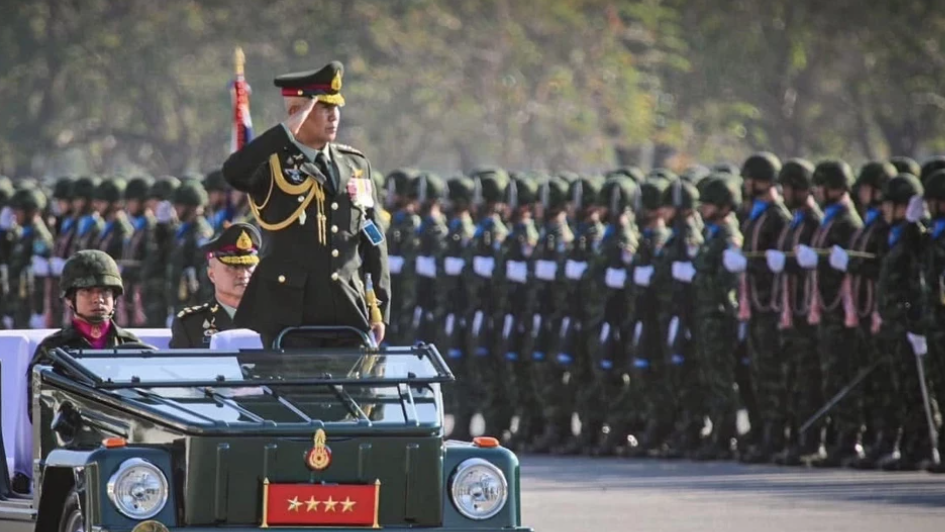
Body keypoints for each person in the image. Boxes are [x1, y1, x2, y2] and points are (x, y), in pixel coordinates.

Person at [221, 61, 389, 349]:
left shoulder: (355, 164)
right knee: (293, 393)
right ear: (296, 113)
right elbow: (234, 171)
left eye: (335, 108)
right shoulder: (271, 164)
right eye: (323, 108)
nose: (334, 116)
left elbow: (372, 237)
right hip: (289, 312)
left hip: (347, 307)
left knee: (355, 393)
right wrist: (285, 132)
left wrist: (379, 308)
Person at [169, 222, 260, 348]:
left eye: (248, 266)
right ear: (212, 274)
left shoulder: (274, 319)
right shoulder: (191, 325)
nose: (243, 274)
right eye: (233, 267)